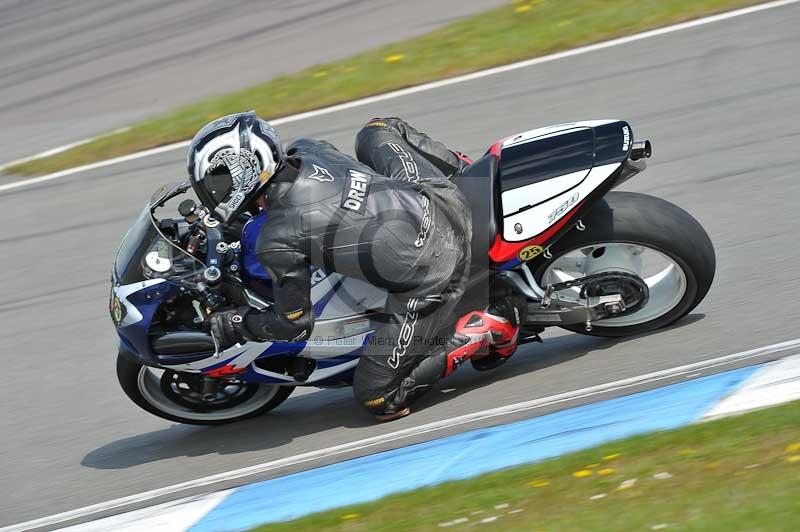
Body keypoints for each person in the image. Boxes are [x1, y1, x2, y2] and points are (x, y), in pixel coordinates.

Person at [187, 111, 524, 421]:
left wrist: (235, 322)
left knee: (377, 396)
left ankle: (486, 327)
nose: (213, 191)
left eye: (218, 180)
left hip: (435, 271)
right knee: (376, 131)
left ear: (246, 170)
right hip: (439, 195)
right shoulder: (307, 150)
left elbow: (294, 326)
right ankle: (466, 172)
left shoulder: (278, 238)